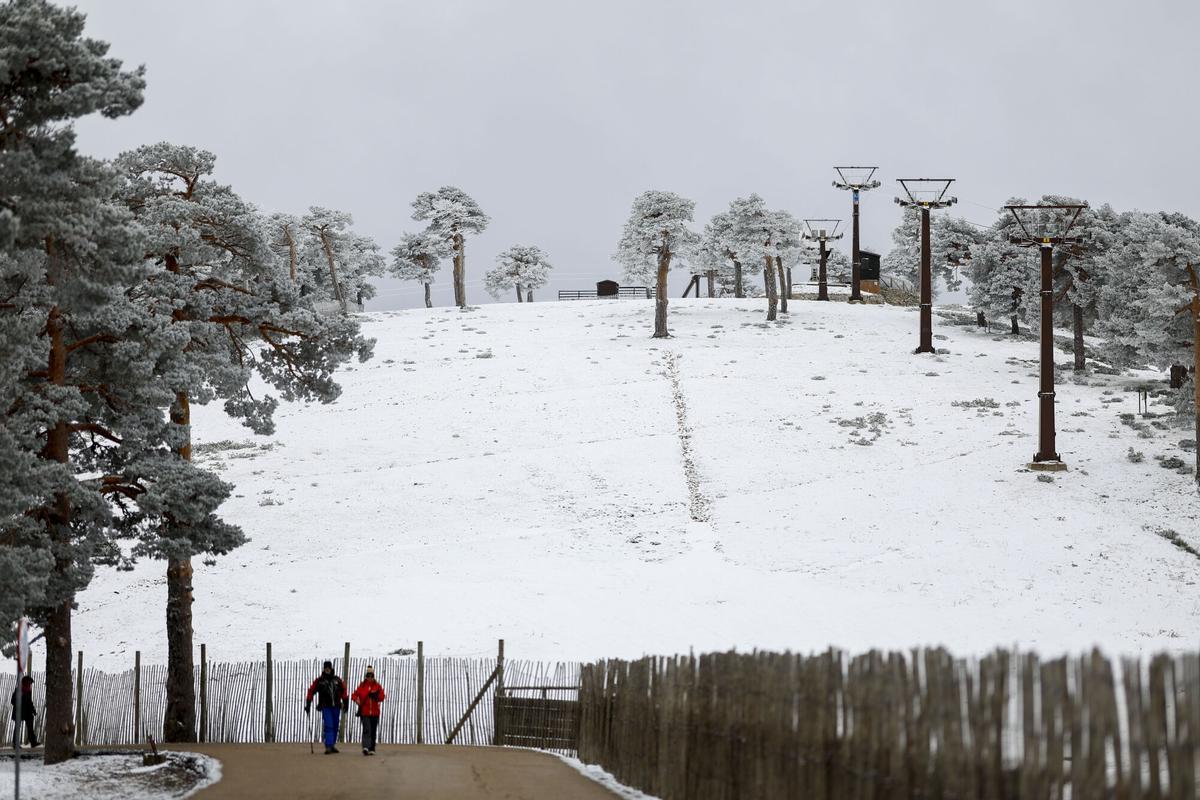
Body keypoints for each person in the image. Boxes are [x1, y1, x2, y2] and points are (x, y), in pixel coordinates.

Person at [305, 660, 349, 754]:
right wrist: (308, 702)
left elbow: (343, 690)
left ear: (331, 668)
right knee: (329, 725)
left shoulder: (337, 680)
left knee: (335, 725)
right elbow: (311, 690)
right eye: (326, 668)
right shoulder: (320, 681)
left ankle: (332, 745)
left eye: (329, 668)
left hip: (336, 706)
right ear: (324, 669)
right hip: (325, 706)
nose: (327, 669)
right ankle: (328, 746)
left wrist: (346, 701)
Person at [350, 666, 386, 756]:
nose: (370, 677)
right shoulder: (362, 686)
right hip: (364, 712)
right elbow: (354, 695)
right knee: (367, 729)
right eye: (368, 675)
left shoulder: (377, 686)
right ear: (366, 676)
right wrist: (356, 700)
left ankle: (372, 748)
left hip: (375, 713)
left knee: (373, 731)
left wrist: (376, 696)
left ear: (373, 676)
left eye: (371, 676)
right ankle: (365, 747)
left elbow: (382, 697)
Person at [10, 675, 37, 749]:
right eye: (29, 683)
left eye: (31, 683)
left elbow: (29, 701)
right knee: (18, 727)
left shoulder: (28, 691)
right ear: (25, 682)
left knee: (30, 726)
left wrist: (33, 709)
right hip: (19, 711)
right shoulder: (18, 689)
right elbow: (12, 701)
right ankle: (15, 744)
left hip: (27, 711)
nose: (30, 685)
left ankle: (33, 742)